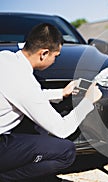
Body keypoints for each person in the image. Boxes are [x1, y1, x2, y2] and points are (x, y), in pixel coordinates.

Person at [0, 23, 102, 181]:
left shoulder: (5, 57)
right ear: (44, 53)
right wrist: (88, 101)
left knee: (37, 127)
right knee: (66, 151)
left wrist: (61, 92)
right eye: (56, 56)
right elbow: (62, 130)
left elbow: (22, 95)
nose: (55, 61)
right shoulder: (24, 81)